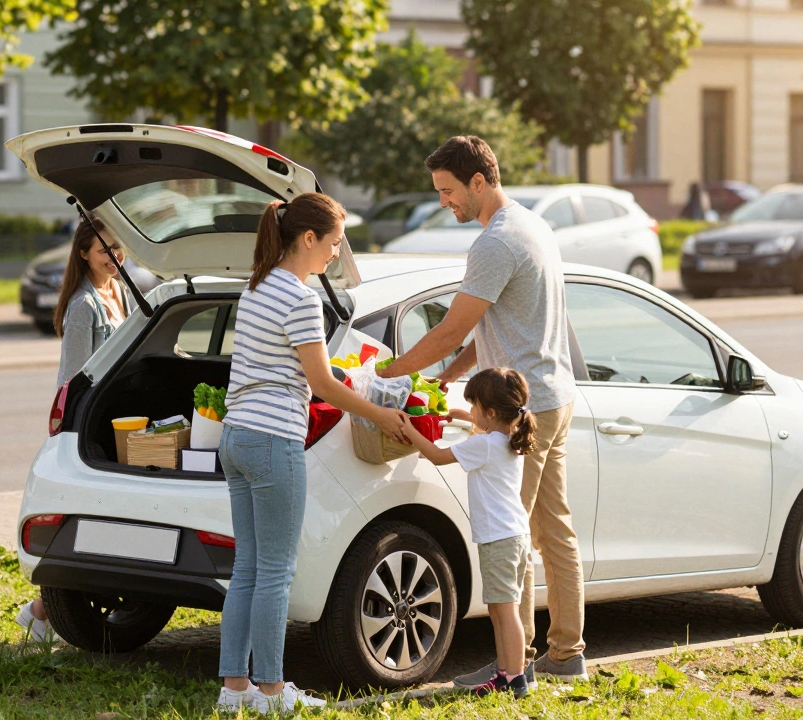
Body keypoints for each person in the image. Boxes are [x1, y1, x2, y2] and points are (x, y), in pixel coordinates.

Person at [377, 135, 587, 683]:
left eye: (449, 192)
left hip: (523, 410)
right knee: (553, 531)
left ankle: (511, 669)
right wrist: (448, 374)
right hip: (553, 396)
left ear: (479, 181)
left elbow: (452, 327)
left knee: (512, 540)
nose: (445, 203)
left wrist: (392, 372)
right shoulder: (533, 224)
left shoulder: (495, 243)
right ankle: (567, 653)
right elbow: (495, 321)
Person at [215, 193, 408, 713]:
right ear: (308, 238)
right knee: (276, 571)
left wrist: (345, 377)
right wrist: (379, 413)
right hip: (274, 441)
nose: (335, 254)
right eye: (334, 243)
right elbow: (319, 383)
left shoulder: (255, 287)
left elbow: (293, 365)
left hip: (236, 438)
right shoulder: (301, 298)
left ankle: (234, 691)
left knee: (248, 569)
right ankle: (274, 693)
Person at [16, 215, 137, 643]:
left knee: (109, 523)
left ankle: (42, 611)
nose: (114, 256)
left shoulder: (120, 290)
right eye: (104, 249)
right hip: (91, 428)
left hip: (120, 422)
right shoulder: (83, 306)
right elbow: (74, 378)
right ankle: (41, 608)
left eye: (118, 248)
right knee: (92, 521)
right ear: (84, 252)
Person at [401, 368, 538, 696]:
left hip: (499, 539)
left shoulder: (486, 445)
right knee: (499, 608)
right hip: (513, 536)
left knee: (505, 611)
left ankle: (516, 679)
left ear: (490, 413)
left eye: (474, 406)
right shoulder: (507, 439)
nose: (472, 412)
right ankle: (505, 675)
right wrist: (466, 417)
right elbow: (484, 433)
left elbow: (435, 456)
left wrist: (410, 429)